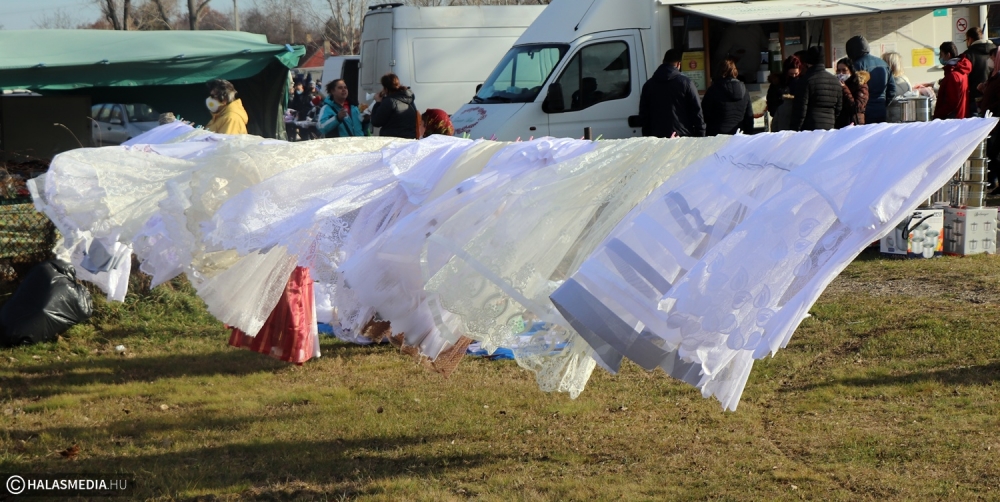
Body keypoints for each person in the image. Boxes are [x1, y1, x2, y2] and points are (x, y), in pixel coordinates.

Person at [638, 48, 705, 138]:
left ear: (663, 61)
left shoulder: (648, 85)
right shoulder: (686, 83)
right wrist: (700, 135)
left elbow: (644, 115)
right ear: (678, 64)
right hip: (682, 137)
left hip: (656, 139)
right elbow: (697, 112)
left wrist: (648, 136)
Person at [845, 36, 895, 123]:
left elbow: (851, 89)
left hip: (864, 111)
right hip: (881, 109)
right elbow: (892, 90)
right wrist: (883, 103)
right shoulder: (883, 63)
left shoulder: (856, 65)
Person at [791, 48, 842, 131]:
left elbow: (800, 109)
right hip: (830, 126)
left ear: (808, 62)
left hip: (810, 127)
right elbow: (839, 108)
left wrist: (795, 130)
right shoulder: (835, 80)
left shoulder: (805, 80)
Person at [701, 58, 754, 136]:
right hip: (738, 135)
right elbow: (749, 117)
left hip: (716, 135)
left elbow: (704, 114)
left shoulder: (713, 90)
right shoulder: (745, 90)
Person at [370, 73, 418, 139]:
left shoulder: (389, 101)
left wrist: (378, 102)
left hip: (392, 140)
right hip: (409, 138)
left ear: (386, 88)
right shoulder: (408, 97)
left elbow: (376, 122)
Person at [932, 41, 972, 120]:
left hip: (952, 119)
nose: (940, 58)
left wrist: (938, 115)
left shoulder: (953, 75)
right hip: (961, 115)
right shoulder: (961, 71)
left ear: (948, 55)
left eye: (941, 55)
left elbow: (951, 102)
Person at [962, 27, 996, 116]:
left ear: (970, 39)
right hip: (993, 98)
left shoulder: (968, 55)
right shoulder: (995, 51)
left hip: (974, 99)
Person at [835, 58, 869, 128]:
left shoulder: (860, 84)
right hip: (839, 123)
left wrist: (844, 88)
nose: (841, 73)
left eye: (844, 70)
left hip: (854, 123)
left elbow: (857, 107)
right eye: (839, 70)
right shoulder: (836, 83)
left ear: (851, 71)